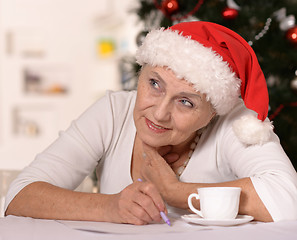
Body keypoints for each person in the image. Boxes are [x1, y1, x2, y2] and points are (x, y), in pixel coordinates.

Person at [4, 21, 297, 225]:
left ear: (213, 113)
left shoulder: (235, 122)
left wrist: (177, 193)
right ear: (140, 75)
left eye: (186, 101)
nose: (158, 114)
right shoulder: (113, 111)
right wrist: (109, 207)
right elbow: (18, 198)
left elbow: (289, 199)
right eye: (154, 84)